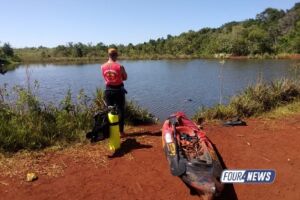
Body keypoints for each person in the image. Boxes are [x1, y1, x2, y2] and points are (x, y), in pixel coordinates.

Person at [101, 48, 127, 137]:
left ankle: (110, 132)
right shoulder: (120, 66)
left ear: (108, 55)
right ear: (115, 55)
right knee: (121, 111)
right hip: (118, 90)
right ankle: (121, 132)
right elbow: (125, 77)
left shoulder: (102, 66)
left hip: (108, 90)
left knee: (109, 111)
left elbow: (105, 78)